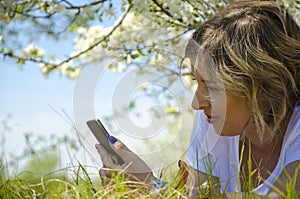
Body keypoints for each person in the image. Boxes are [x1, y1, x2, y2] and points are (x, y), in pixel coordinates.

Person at [95, 0, 300, 198]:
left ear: (262, 84)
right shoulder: (213, 121)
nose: (197, 103)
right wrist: (140, 184)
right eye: (197, 82)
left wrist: (150, 188)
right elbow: (189, 196)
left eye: (211, 86)